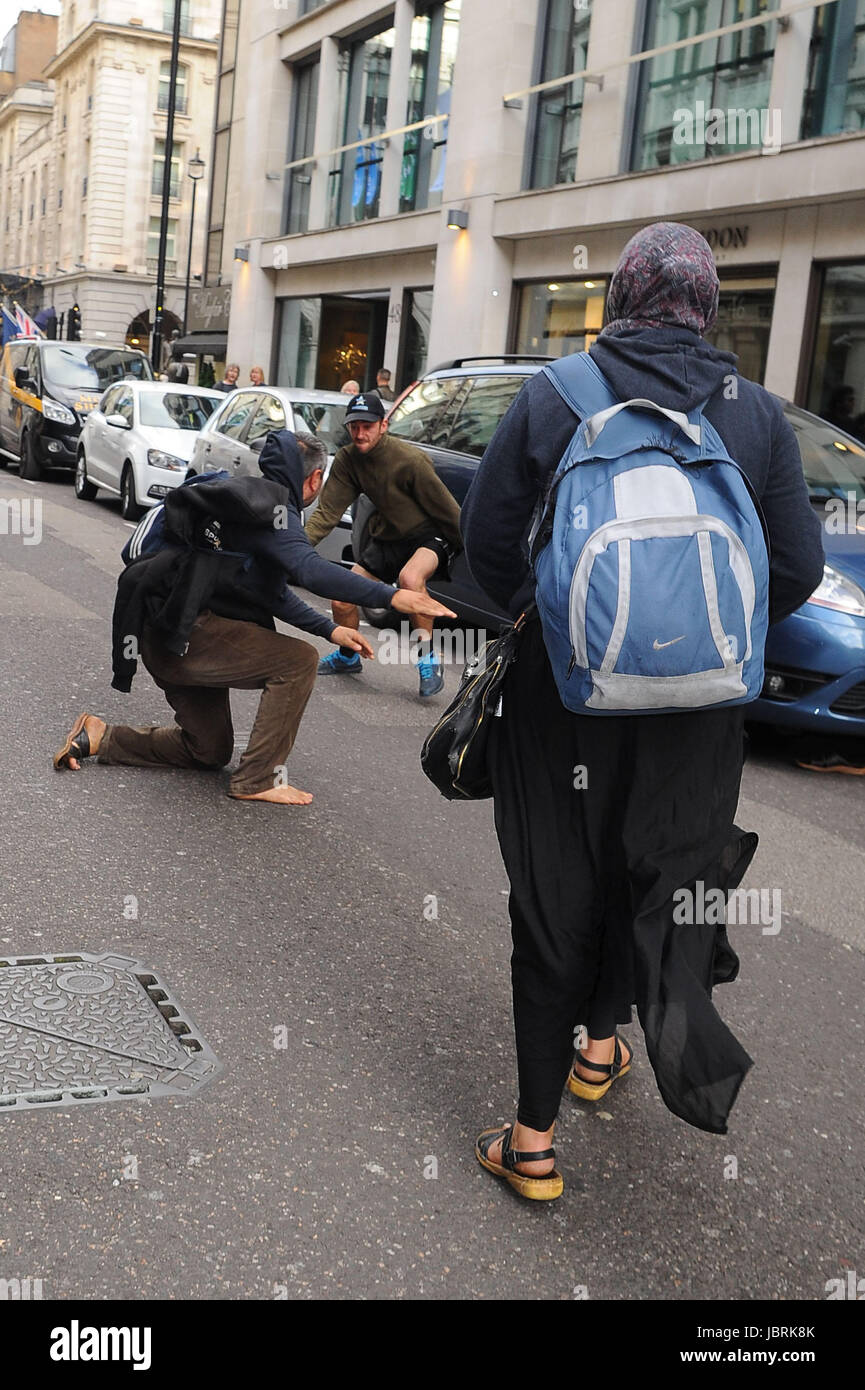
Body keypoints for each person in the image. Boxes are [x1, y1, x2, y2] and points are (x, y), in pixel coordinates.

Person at [462, 221, 825, 1200]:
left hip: (562, 701)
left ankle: (532, 1144)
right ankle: (599, 1047)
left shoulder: (551, 397)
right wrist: (697, 637)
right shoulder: (752, 414)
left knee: (554, 890)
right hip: (696, 715)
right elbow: (796, 565)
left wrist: (563, 623)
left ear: (618, 298)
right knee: (653, 876)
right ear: (706, 308)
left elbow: (487, 547)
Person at [54, 431, 455, 805]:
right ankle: (259, 778)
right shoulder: (276, 510)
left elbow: (272, 593)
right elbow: (309, 571)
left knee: (208, 751)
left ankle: (101, 737)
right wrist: (393, 595)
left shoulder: (247, 506)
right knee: (298, 661)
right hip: (187, 636)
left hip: (163, 636)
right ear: (314, 479)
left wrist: (331, 629)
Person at [305, 392, 462, 697]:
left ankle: (428, 659)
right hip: (388, 537)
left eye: (368, 426)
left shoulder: (410, 460)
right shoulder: (349, 461)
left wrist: (471, 552)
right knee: (342, 598)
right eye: (355, 426)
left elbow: (448, 510)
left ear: (383, 425)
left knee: (410, 579)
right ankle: (348, 658)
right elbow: (326, 513)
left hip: (429, 535)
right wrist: (294, 549)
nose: (360, 433)